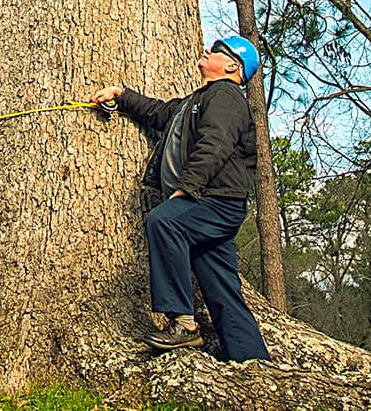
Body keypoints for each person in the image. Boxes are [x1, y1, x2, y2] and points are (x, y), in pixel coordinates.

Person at [91, 36, 273, 363]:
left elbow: (215, 144)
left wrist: (187, 188)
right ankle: (252, 362)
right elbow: (161, 113)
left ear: (232, 66)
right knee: (221, 287)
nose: (207, 51)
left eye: (217, 51)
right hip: (214, 202)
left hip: (216, 199)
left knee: (163, 221)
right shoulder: (199, 100)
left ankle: (184, 324)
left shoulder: (227, 96)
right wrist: (122, 95)